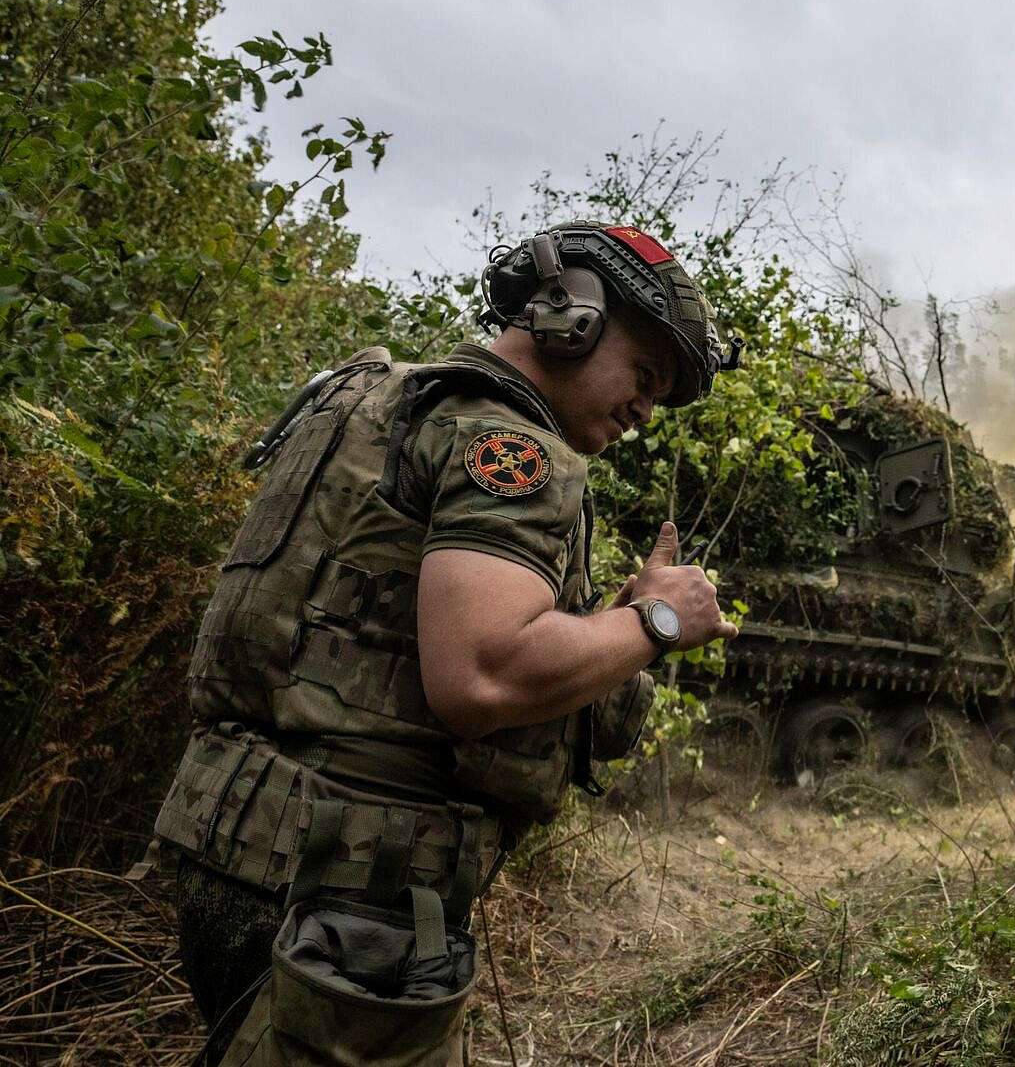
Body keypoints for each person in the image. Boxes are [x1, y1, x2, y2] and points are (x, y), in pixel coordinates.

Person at [149, 220, 740, 1062]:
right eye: (644, 374)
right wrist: (658, 621)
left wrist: (606, 628)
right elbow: (482, 679)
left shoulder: (373, 398)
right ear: (571, 314)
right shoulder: (509, 446)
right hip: (351, 893)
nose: (647, 408)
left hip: (243, 850)